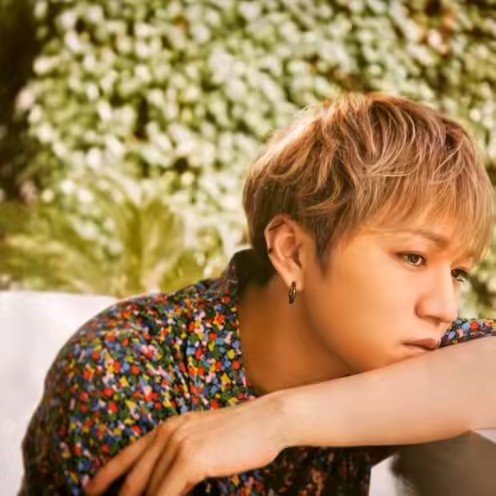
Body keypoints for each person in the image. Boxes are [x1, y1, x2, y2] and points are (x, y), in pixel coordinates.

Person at [21, 93, 496, 496]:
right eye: (413, 257)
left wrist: (280, 419)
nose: (444, 308)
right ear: (293, 252)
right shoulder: (127, 370)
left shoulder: (387, 353)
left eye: (457, 273)